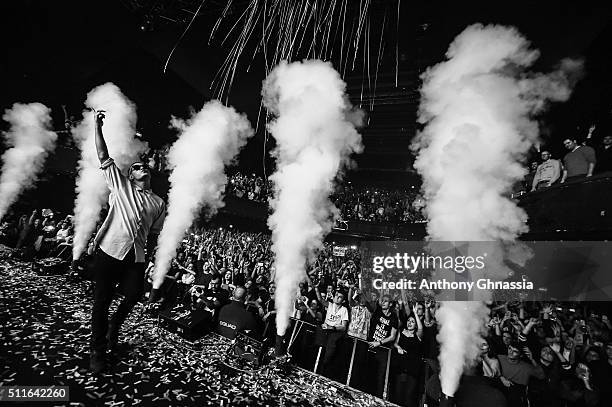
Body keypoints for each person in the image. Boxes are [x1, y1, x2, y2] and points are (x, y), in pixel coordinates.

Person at [88, 110, 166, 374]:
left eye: (144, 166)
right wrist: (97, 128)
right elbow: (103, 156)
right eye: (136, 168)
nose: (141, 167)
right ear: (131, 176)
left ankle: (114, 328)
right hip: (109, 251)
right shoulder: (122, 187)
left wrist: (151, 255)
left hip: (136, 256)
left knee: (133, 295)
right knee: (102, 300)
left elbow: (154, 233)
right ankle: (98, 350)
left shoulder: (159, 202)